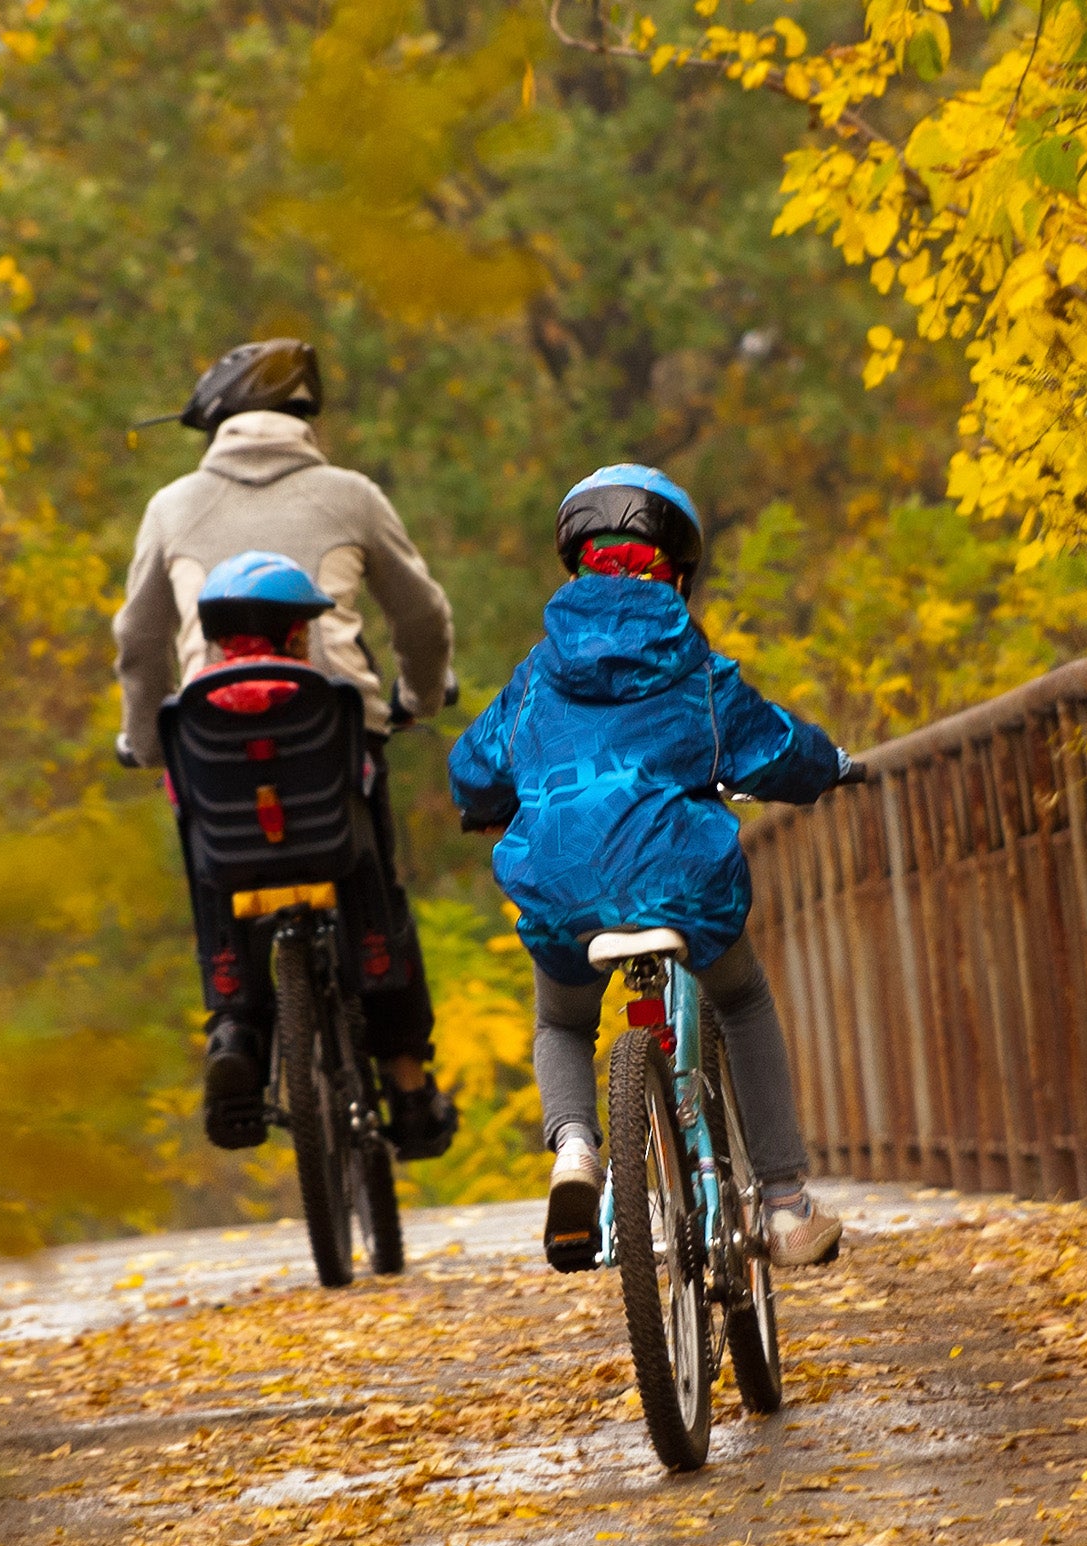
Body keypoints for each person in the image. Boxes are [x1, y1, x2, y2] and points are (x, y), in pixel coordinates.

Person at [447, 463, 854, 1271]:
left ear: (577, 563)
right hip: (680, 885)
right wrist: (832, 765)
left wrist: (490, 800)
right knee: (742, 997)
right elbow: (775, 748)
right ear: (680, 570)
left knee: (563, 1019)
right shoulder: (696, 671)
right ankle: (782, 1203)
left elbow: (474, 765)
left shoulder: (536, 677)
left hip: (563, 892)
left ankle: (572, 1151)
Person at [114, 339, 457, 1160]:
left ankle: (234, 1028)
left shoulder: (171, 506)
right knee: (372, 881)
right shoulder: (352, 495)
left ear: (216, 422)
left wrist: (144, 740)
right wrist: (415, 695)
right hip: (332, 730)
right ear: (302, 417)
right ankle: (407, 1087)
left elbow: (139, 638)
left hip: (212, 737)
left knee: (214, 867)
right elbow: (423, 616)